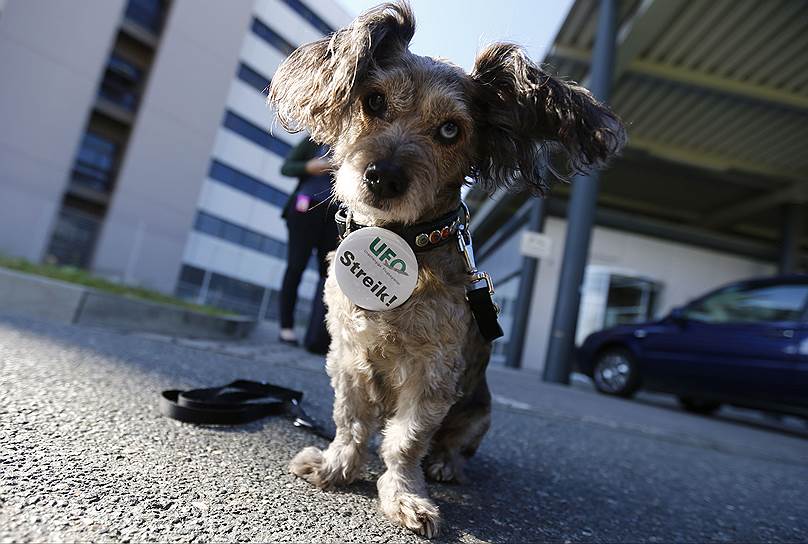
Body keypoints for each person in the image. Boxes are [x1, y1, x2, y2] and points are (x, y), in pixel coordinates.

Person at [278, 136, 338, 353]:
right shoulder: (314, 139)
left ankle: (317, 336)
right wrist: (309, 167)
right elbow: (286, 168)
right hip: (304, 208)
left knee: (328, 274)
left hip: (333, 214)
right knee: (296, 266)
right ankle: (286, 327)